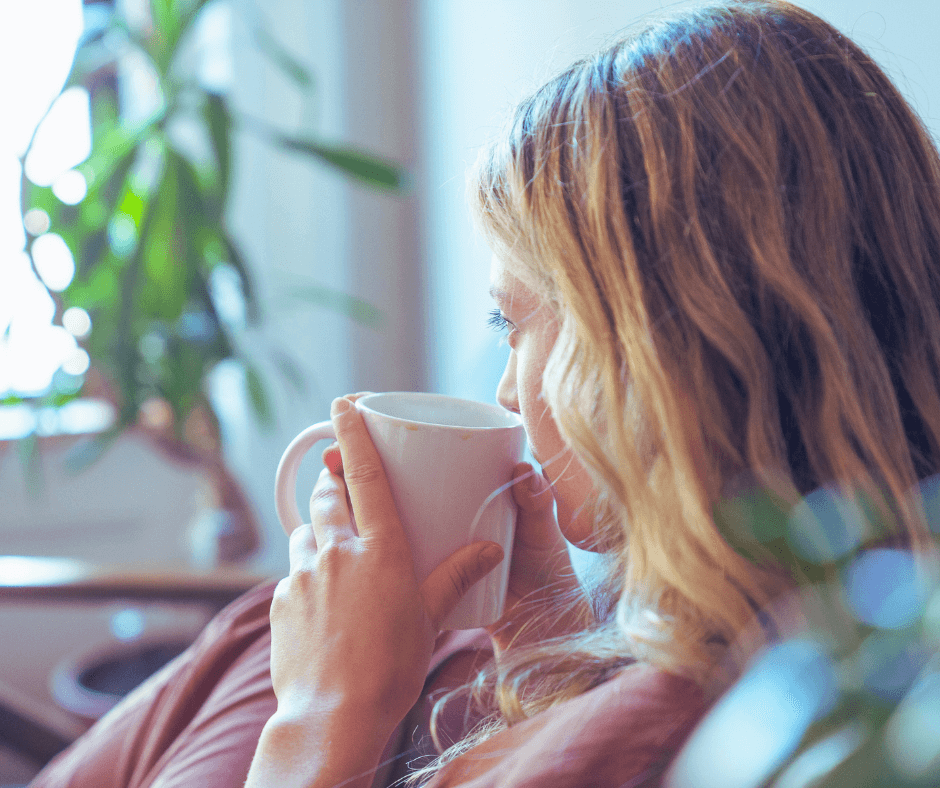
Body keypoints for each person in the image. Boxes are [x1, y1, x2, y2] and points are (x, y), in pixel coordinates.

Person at [31, 1, 940, 786]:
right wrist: (546, 647)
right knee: (276, 640)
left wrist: (319, 716)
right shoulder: (847, 631)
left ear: (653, 346)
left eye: (514, 323)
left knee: (260, 649)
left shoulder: (659, 729)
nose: (506, 387)